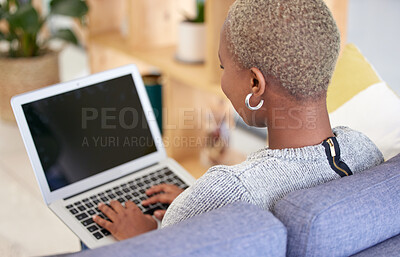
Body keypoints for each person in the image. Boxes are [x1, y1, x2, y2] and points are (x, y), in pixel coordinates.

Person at [92, 0, 384, 240]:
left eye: (223, 65)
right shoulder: (365, 152)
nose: (222, 77)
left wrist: (141, 236)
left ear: (255, 84)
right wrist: (197, 208)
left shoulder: (230, 189)